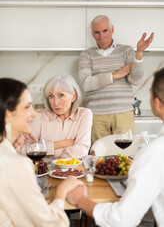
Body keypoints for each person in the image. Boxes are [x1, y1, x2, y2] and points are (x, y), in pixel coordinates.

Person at [66, 67, 164, 226]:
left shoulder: (155, 154)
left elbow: (122, 219)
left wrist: (80, 200)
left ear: (157, 103)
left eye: (150, 93)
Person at [0, 78, 83, 227]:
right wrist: (61, 192)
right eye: (27, 107)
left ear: (73, 96)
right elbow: (53, 224)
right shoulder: (16, 165)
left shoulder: (6, 153)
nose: (34, 113)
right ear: (7, 115)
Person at [78, 15, 154, 144]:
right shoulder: (86, 55)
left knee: (126, 155)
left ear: (112, 30)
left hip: (123, 113)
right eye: (97, 32)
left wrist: (139, 53)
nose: (101, 37)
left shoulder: (126, 50)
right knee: (100, 156)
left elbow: (135, 80)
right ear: (92, 34)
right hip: (97, 116)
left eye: (105, 31)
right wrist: (114, 75)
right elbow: (86, 84)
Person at [22, 74, 93, 159]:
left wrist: (41, 149)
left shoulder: (84, 114)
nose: (55, 103)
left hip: (73, 169)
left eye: (61, 95)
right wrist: (62, 144)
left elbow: (82, 150)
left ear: (73, 96)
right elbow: (23, 150)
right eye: (51, 96)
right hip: (45, 170)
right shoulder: (40, 116)